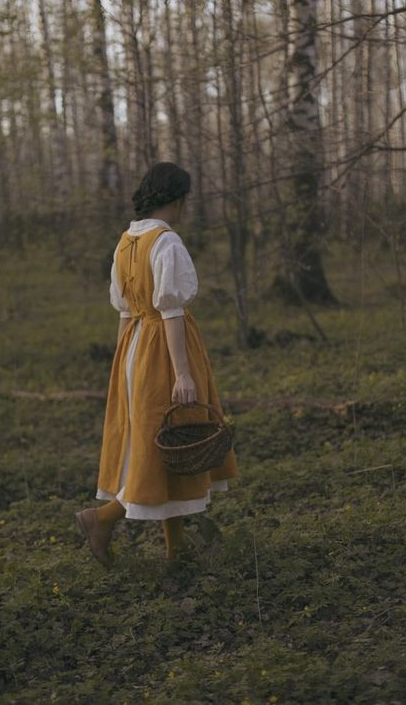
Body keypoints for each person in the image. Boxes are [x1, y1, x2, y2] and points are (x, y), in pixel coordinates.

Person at [75, 162, 238, 565]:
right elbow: (170, 312)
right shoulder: (167, 243)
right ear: (178, 198)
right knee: (166, 441)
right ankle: (102, 518)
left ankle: (175, 552)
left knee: (162, 442)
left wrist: (121, 365)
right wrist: (182, 372)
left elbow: (124, 313)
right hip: (163, 348)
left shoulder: (126, 241)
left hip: (134, 348)